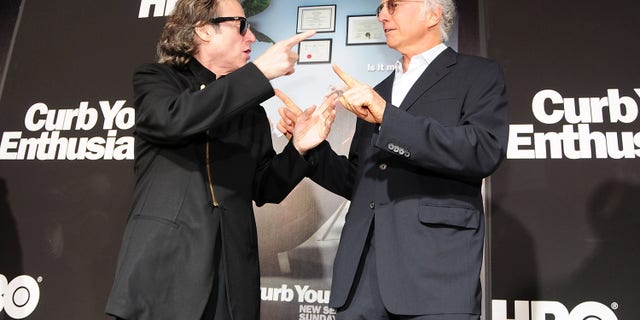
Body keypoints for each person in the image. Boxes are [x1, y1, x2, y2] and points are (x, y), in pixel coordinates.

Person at [104, 0, 336, 319]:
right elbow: (174, 120)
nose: (252, 37)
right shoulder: (159, 80)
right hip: (166, 269)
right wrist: (259, 73)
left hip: (231, 277)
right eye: (241, 25)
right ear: (203, 28)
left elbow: (265, 187)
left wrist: (299, 149)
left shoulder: (251, 110)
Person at [277, 0, 509, 319]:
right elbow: (359, 182)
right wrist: (310, 148)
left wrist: (388, 117)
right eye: (381, 7)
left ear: (432, 13)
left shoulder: (478, 74)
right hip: (361, 280)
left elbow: (482, 150)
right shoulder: (377, 91)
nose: (382, 15)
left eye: (394, 5)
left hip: (435, 277)